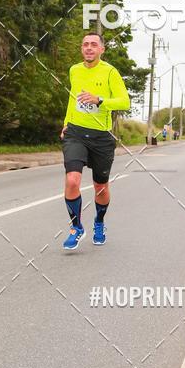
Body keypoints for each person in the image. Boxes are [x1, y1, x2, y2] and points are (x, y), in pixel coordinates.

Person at [60, 32, 130, 250]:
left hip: (101, 136)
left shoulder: (110, 72)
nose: (88, 48)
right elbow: (73, 100)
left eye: (93, 45)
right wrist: (66, 123)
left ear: (101, 49)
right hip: (75, 132)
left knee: (100, 187)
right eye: (85, 45)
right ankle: (76, 227)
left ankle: (99, 223)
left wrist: (99, 100)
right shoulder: (74, 70)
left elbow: (124, 102)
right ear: (82, 49)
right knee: (72, 180)